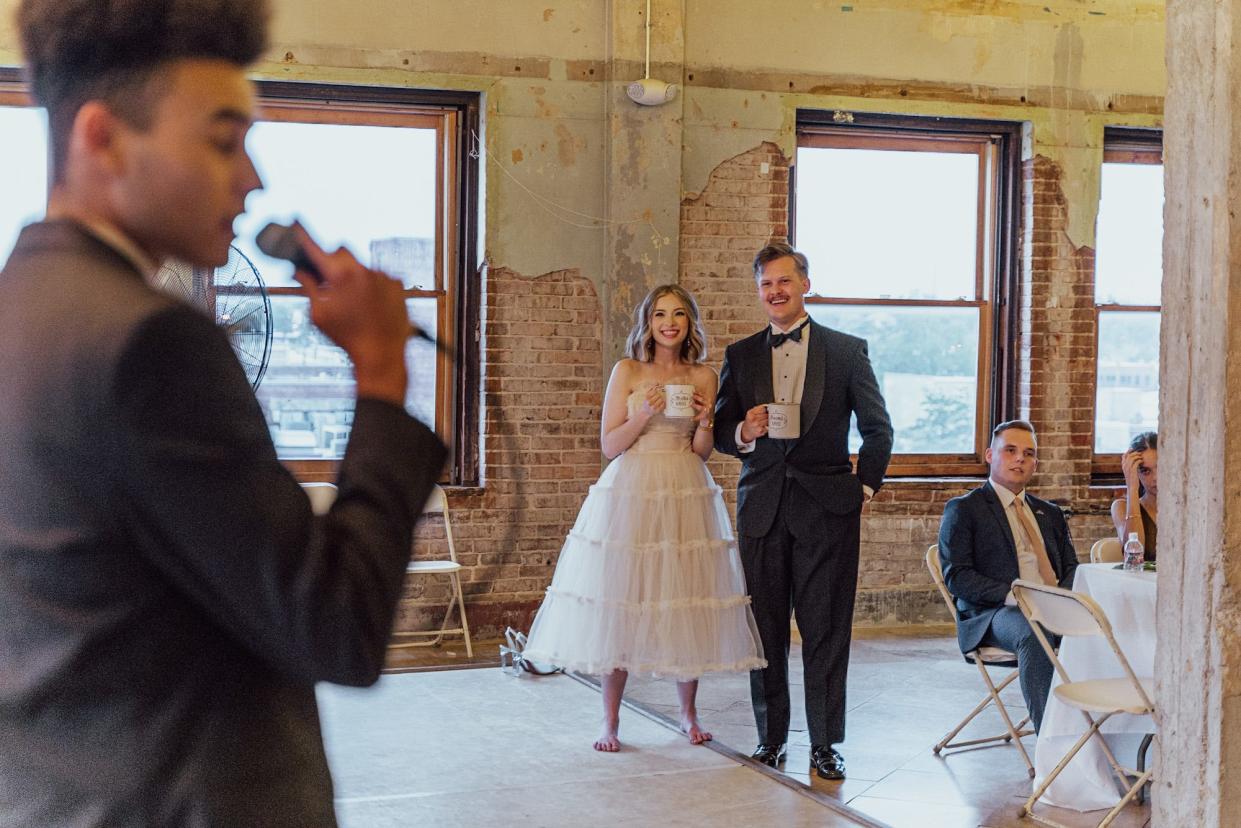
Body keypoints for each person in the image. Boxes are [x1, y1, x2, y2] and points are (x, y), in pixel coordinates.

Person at [0, 2, 447, 825]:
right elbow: (337, 627)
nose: (254, 179)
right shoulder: (150, 343)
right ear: (102, 139)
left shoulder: (24, 303)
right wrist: (382, 370)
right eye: (222, 140)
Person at [522, 284, 765, 752]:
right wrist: (645, 413)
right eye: (659, 315)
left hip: (684, 487)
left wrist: (705, 420)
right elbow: (610, 445)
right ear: (647, 323)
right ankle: (610, 721)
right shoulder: (627, 369)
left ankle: (688, 714)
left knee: (685, 597)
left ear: (690, 322)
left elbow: (701, 450)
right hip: (631, 489)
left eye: (677, 314)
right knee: (622, 600)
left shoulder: (704, 376)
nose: (668, 323)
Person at [713, 242, 893, 781]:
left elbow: (878, 429)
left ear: (805, 285)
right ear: (759, 292)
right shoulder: (740, 355)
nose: (776, 292)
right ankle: (770, 740)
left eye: (785, 282)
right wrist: (744, 430)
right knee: (764, 632)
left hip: (829, 511)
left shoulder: (846, 351)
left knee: (826, 631)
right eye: (767, 284)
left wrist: (864, 488)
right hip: (762, 509)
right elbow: (722, 431)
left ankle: (824, 745)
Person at [938, 421, 1078, 733]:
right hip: (997, 612)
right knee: (1032, 631)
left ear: (1036, 464)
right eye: (1010, 450)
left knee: (1106, 630)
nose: (1020, 459)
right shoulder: (964, 509)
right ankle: (1052, 743)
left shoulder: (1050, 513)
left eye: (1028, 454)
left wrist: (1063, 599)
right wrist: (1016, 596)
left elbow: (1072, 568)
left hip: (1055, 607)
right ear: (990, 455)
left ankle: (1097, 733)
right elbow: (957, 577)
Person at [1111, 431, 1158, 561]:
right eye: (1146, 471)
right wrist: (1132, 487)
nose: (1156, 478)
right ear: (1135, 472)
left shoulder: (1186, 507)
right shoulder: (1120, 507)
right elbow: (1133, 558)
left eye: (1161, 467)